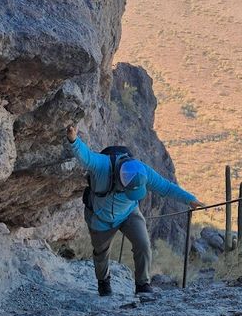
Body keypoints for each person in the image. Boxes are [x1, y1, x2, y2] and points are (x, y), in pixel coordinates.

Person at [65, 124, 204, 296]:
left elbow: (166, 187)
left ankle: (142, 285)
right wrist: (73, 139)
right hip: (101, 217)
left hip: (129, 212)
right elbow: (85, 157)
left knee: (144, 245)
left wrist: (190, 199)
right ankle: (103, 281)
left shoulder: (142, 171)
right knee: (101, 252)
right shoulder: (102, 166)